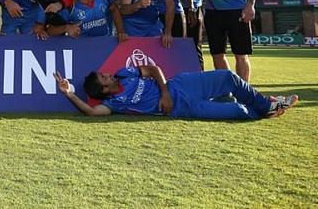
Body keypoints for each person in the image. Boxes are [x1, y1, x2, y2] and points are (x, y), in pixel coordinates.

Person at [54, 66, 298, 120]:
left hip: (178, 87)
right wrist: (69, 94)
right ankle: (266, 110)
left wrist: (165, 92)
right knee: (237, 112)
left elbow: (152, 69)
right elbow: (90, 111)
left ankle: (267, 104)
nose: (108, 74)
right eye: (104, 78)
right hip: (182, 108)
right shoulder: (115, 103)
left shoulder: (124, 74)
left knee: (227, 77)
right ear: (104, 89)